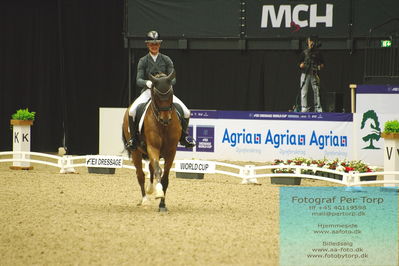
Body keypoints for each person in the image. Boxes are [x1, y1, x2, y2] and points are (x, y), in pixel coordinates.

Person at [127, 30, 196, 150]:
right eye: (152, 44)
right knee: (132, 111)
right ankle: (133, 139)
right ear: (147, 45)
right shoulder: (143, 61)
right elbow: (138, 80)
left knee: (186, 112)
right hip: (148, 91)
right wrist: (147, 83)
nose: (154, 46)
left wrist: (165, 84)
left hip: (164, 93)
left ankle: (184, 136)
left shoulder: (166, 59)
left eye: (156, 44)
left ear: (160, 44)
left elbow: (173, 79)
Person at [298, 36, 324, 112]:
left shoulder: (317, 53)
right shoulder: (304, 52)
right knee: (304, 91)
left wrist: (319, 67)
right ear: (307, 42)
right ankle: (304, 108)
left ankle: (318, 108)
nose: (311, 42)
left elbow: (322, 64)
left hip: (314, 73)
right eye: (310, 41)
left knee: (316, 91)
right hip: (305, 73)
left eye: (312, 41)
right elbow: (299, 64)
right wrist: (302, 65)